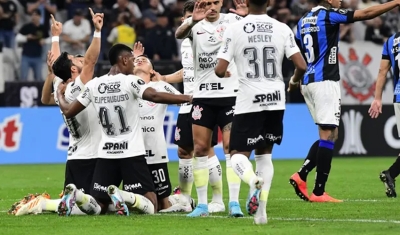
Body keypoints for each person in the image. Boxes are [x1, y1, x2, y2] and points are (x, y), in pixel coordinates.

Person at [55, 43, 192, 216]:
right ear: (124, 60)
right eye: (133, 60)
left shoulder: (94, 84)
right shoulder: (130, 81)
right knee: (151, 203)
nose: (135, 64)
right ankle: (123, 195)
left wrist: (59, 95)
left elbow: (68, 111)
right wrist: (188, 97)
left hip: (106, 154)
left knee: (99, 206)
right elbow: (155, 95)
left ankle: (79, 196)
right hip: (131, 152)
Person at [289, 0, 400, 203]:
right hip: (325, 82)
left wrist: (294, 80)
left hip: (307, 83)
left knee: (330, 135)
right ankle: (319, 192)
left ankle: (302, 174)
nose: (340, 0)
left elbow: (301, 59)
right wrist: (394, 2)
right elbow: (365, 14)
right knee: (328, 135)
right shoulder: (328, 15)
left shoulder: (303, 21)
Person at [215, 0, 306, 224]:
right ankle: (261, 214)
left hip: (249, 102)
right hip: (276, 100)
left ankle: (252, 180)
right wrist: (293, 81)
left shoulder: (235, 29)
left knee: (237, 154)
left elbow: (219, 70)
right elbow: (301, 66)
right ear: (269, 2)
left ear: (246, 2)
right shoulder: (282, 28)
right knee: (265, 156)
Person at [9, 10, 104, 216]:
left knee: (87, 205)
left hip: (75, 155)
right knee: (94, 207)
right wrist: (97, 32)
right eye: (76, 59)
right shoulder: (76, 88)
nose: (81, 59)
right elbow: (90, 61)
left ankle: (48, 203)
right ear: (73, 71)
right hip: (90, 157)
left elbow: (56, 63)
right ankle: (43, 204)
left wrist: (55, 36)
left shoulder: (61, 85)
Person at [175, 0, 247, 217]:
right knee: (200, 149)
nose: (211, 7)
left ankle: (234, 203)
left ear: (222, 2)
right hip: (203, 97)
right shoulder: (194, 24)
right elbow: (179, 34)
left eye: (215, 2)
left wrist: (246, 16)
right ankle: (203, 205)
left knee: (230, 148)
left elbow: (252, 32)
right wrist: (192, 21)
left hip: (229, 96)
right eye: (207, 3)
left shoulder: (233, 20)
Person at [160, 0, 227, 213]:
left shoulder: (210, 37)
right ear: (184, 19)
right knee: (183, 151)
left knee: (205, 149)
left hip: (205, 99)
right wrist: (164, 78)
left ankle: (218, 198)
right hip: (185, 102)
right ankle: (186, 198)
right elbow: (186, 71)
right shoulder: (185, 41)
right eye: (190, 17)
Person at [130, 55, 195, 212]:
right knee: (144, 202)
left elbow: (181, 101)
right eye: (136, 60)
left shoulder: (160, 86)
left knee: (161, 204)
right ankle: (180, 199)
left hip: (155, 153)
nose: (139, 61)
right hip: (132, 152)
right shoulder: (126, 85)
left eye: (144, 60)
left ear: (152, 70)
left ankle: (182, 200)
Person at [369, 32, 400, 198]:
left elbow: (382, 70)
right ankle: (390, 174)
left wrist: (377, 98)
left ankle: (390, 175)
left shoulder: (390, 41)